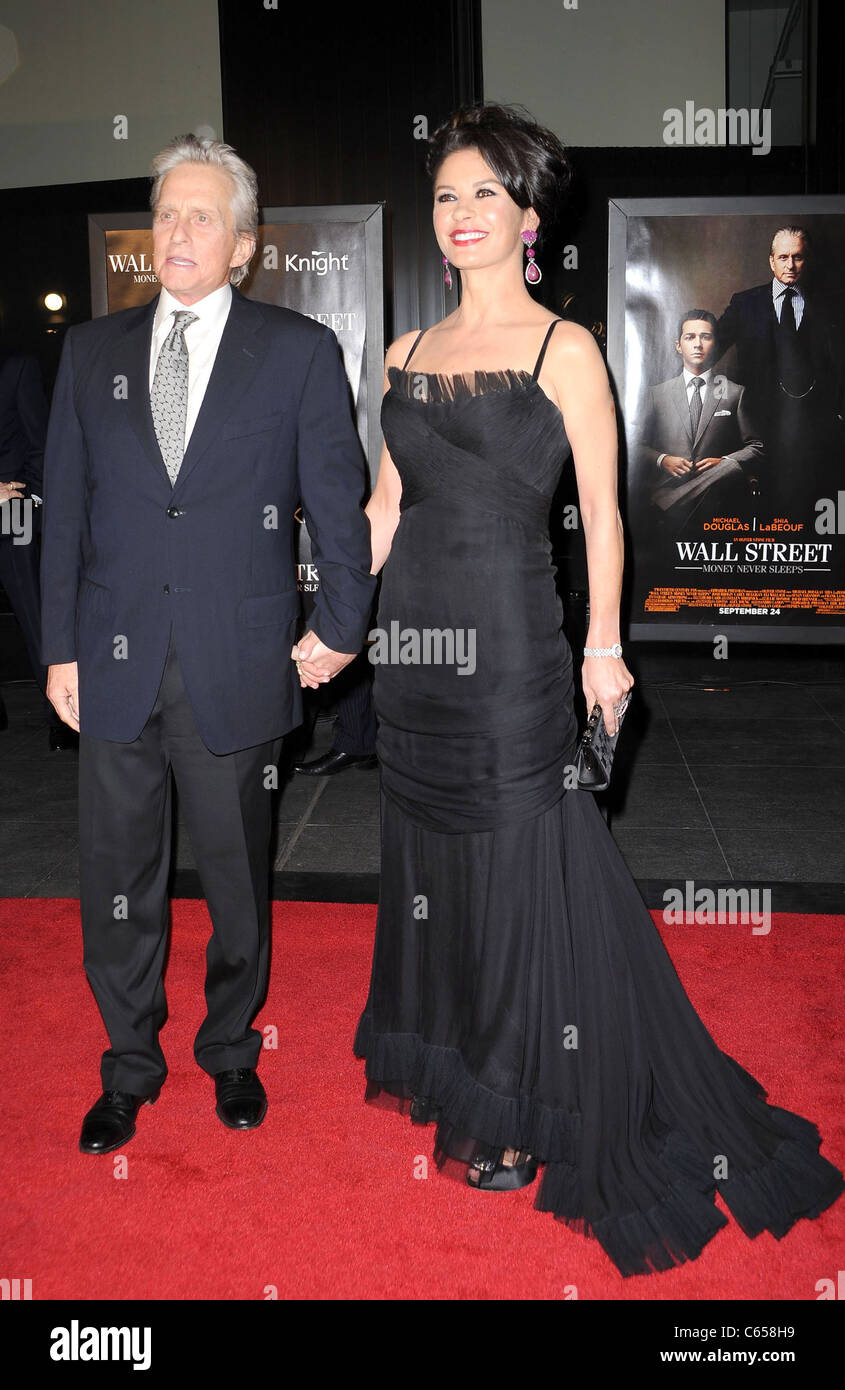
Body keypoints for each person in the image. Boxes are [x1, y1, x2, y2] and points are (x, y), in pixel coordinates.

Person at [322, 103, 843, 1278]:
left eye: (482, 198)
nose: (459, 217)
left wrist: (603, 649)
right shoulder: (400, 353)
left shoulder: (567, 350)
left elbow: (602, 514)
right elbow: (379, 513)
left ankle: (518, 1092)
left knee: (514, 859)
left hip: (511, 646)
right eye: (446, 196)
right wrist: (323, 628)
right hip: (414, 654)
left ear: (526, 218)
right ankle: (451, 1053)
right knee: (430, 859)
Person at [40, 134, 376, 1154]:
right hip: (111, 658)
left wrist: (340, 625)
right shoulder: (91, 353)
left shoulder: (296, 351)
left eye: (201, 216)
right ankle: (128, 1065)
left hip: (238, 662)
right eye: (167, 214)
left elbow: (339, 507)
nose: (177, 232)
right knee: (117, 876)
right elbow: (69, 513)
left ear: (242, 245)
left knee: (236, 876)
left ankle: (231, 1047)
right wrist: (58, 647)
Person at [716, 226, 845, 515]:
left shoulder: (830, 304)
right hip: (755, 424)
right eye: (783, 257)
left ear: (806, 260)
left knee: (807, 503)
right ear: (771, 261)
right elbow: (710, 350)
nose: (790, 265)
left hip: (812, 426)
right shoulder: (745, 303)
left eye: (798, 257)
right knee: (763, 507)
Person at [0, 349, 74, 747]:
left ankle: (59, 716)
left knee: (35, 617)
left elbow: (41, 444)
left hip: (14, 511)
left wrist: (28, 501)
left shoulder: (16, 366)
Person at [636, 310, 764, 529]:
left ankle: (667, 506)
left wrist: (724, 462)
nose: (698, 344)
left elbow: (757, 446)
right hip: (668, 486)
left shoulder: (735, 392)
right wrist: (662, 459)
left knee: (730, 468)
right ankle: (673, 502)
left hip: (716, 499)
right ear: (678, 346)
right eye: (690, 337)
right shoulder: (656, 394)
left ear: (715, 343)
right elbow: (634, 444)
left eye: (706, 337)